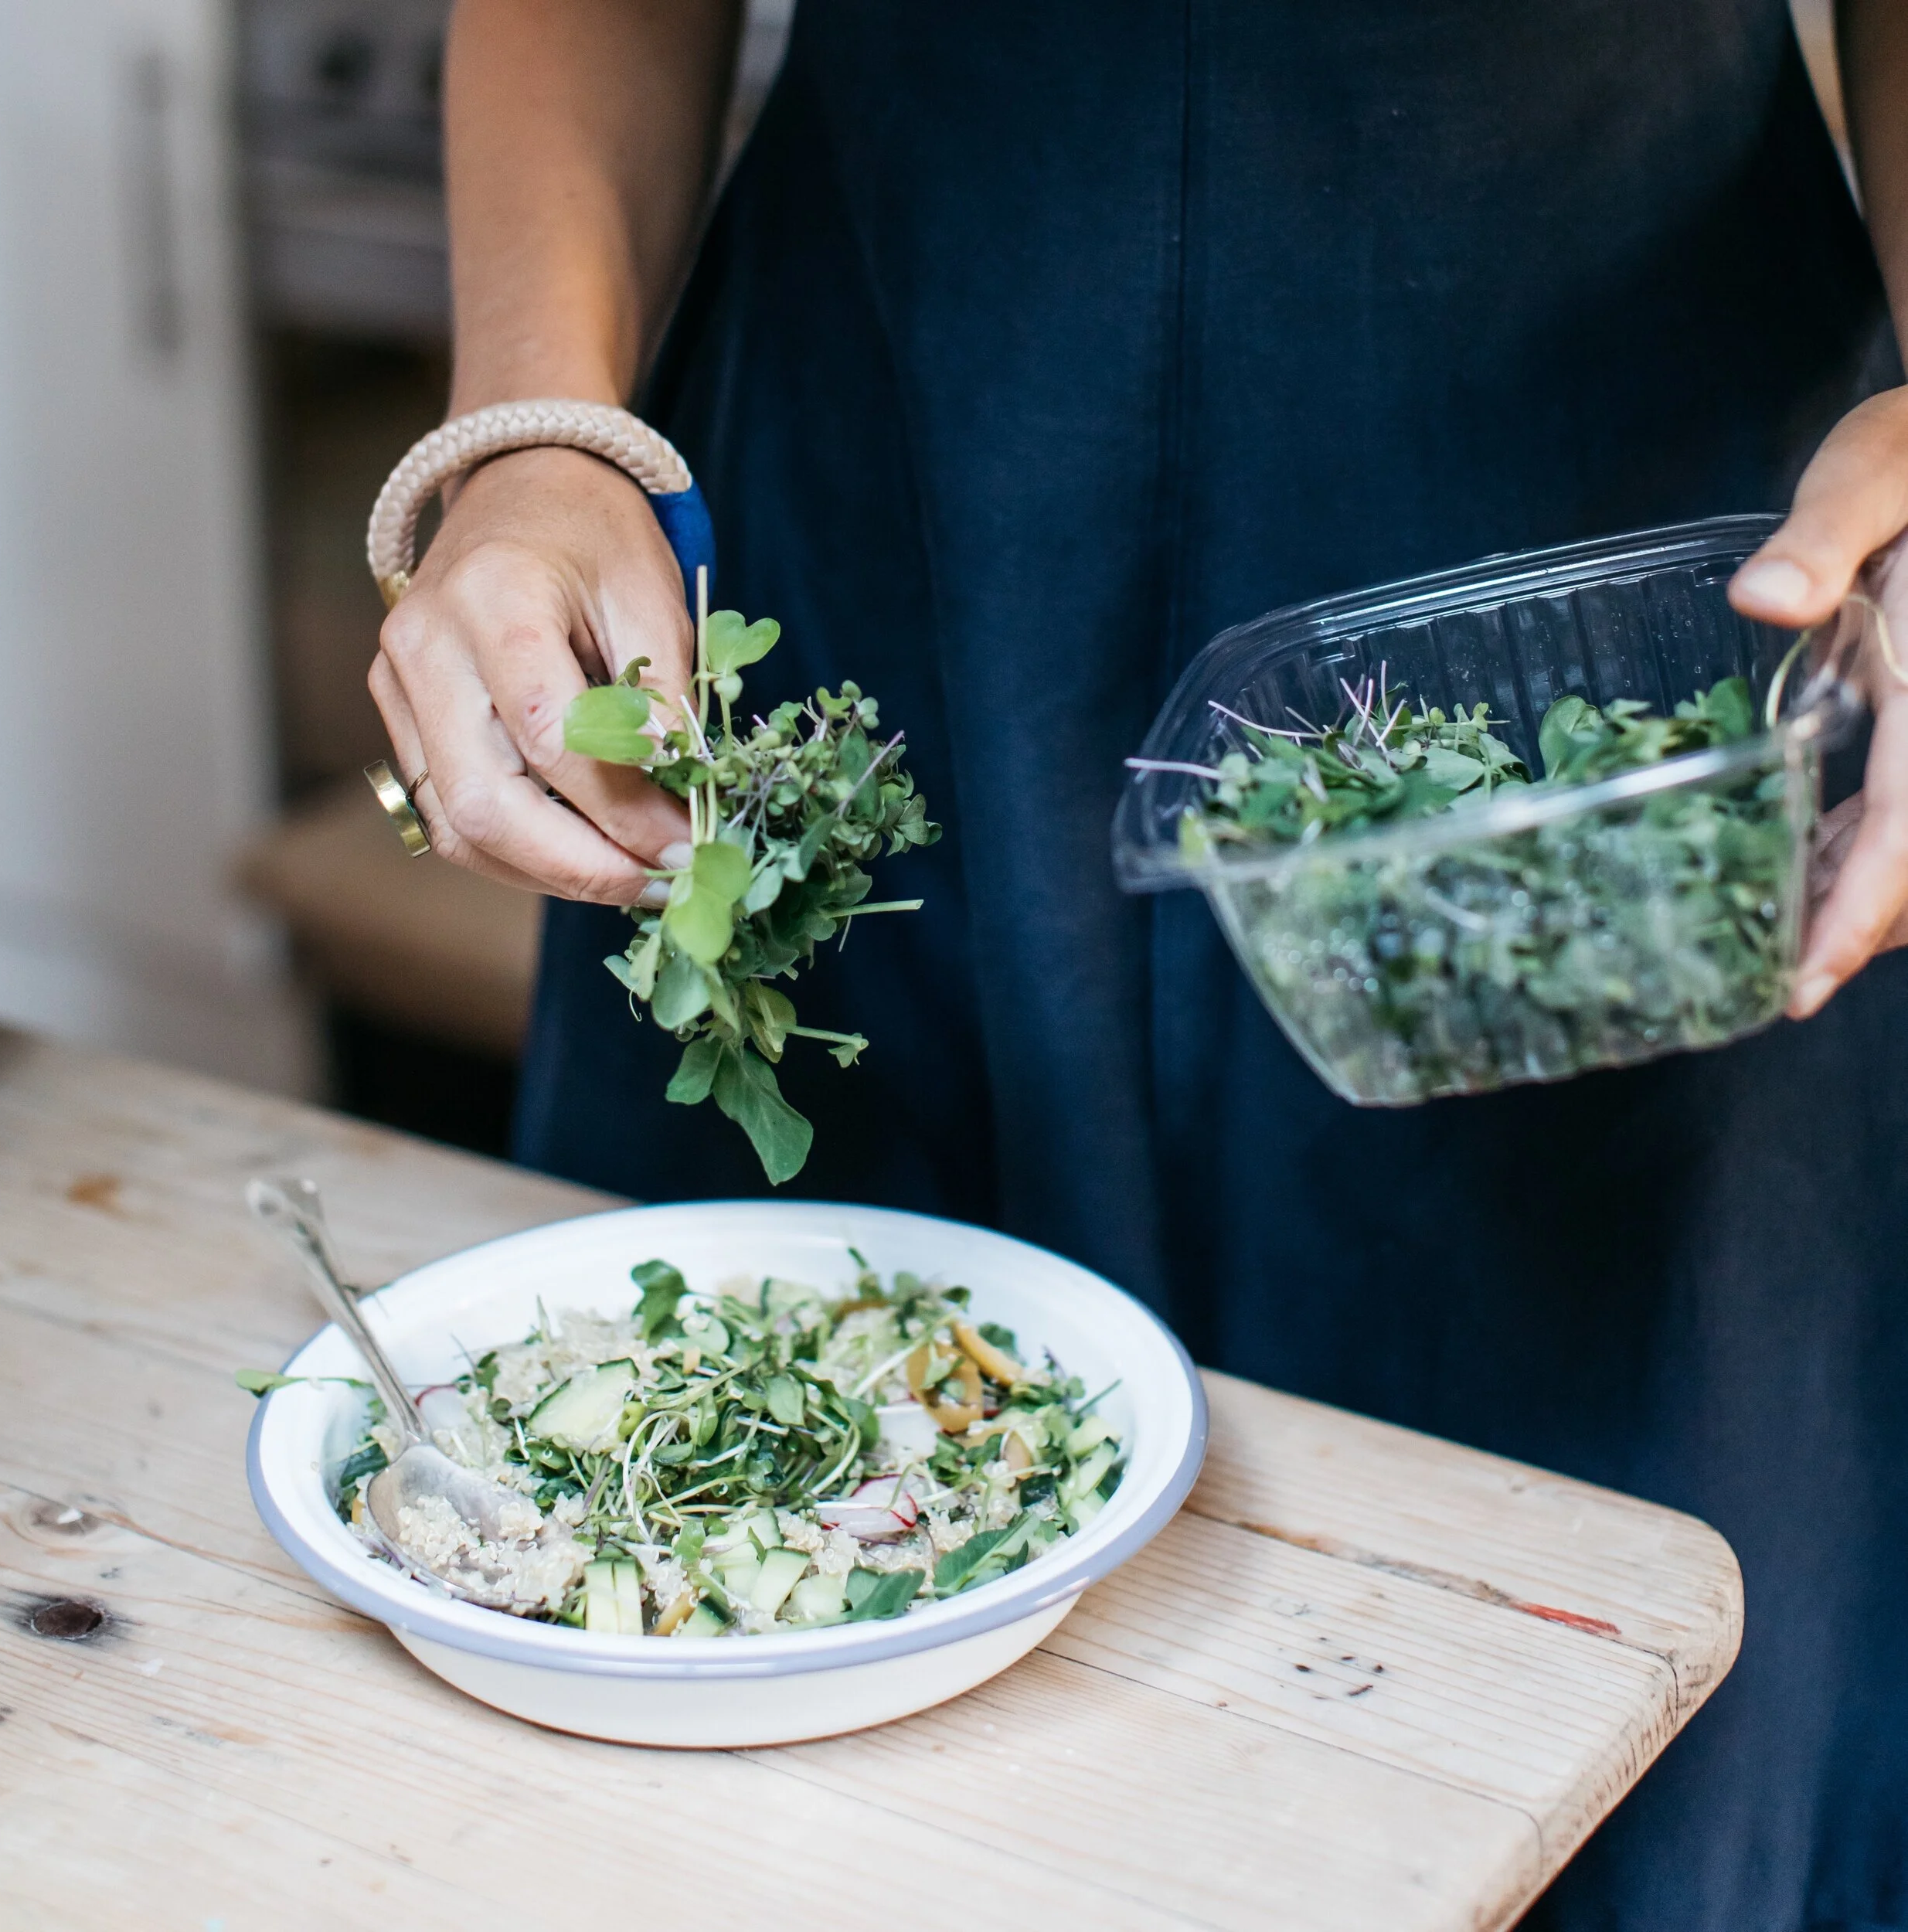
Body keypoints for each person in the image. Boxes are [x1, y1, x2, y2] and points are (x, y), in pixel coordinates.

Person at [369, 5, 1908, 1925]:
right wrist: (528, 432)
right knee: (767, 1634)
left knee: (1625, 1681)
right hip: (899, 495)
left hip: (1632, 598)